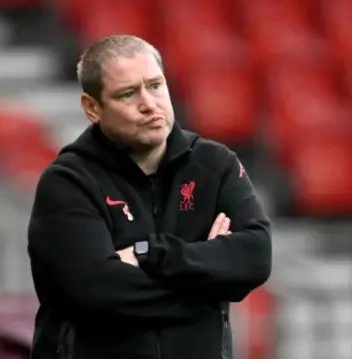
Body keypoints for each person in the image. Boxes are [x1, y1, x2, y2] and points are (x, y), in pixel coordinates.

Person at [27, 34, 272, 359]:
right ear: (92, 108)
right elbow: (97, 292)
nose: (149, 103)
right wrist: (207, 286)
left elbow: (254, 257)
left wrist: (149, 254)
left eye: (155, 85)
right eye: (128, 94)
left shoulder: (215, 166)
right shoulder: (68, 182)